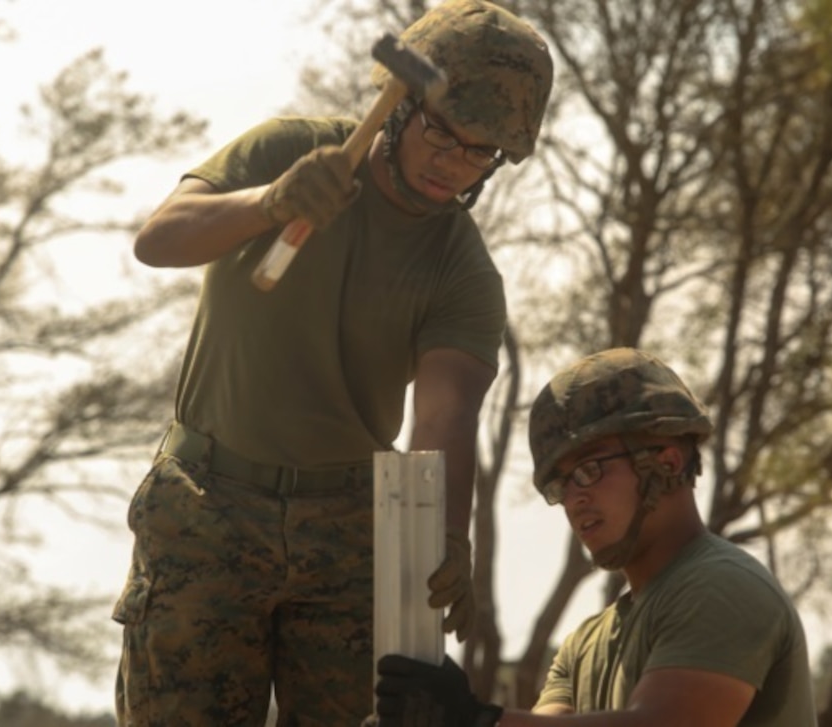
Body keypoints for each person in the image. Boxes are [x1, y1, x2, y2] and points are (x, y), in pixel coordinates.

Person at [109, 2, 552, 725]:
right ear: (400, 106)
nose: (455, 161)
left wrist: (446, 535)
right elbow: (159, 240)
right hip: (207, 504)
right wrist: (268, 202)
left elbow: (446, 414)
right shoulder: (287, 149)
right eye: (443, 131)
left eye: (482, 151)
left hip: (348, 532)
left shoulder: (463, 269)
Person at [371, 348, 818, 726]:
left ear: (667, 462)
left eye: (589, 469)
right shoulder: (584, 646)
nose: (573, 499)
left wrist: (474, 720)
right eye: (560, 484)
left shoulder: (721, 587)